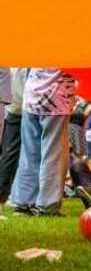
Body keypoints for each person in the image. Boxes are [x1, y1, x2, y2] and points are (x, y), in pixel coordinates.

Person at [8, 68, 77, 216]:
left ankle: (23, 203)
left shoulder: (37, 45)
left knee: (29, 154)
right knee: (54, 155)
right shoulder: (69, 46)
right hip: (57, 100)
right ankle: (48, 206)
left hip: (31, 97)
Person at [0, 68, 27, 204]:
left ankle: (8, 194)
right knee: (12, 155)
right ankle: (4, 195)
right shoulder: (20, 67)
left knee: (11, 154)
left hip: (15, 111)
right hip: (19, 112)